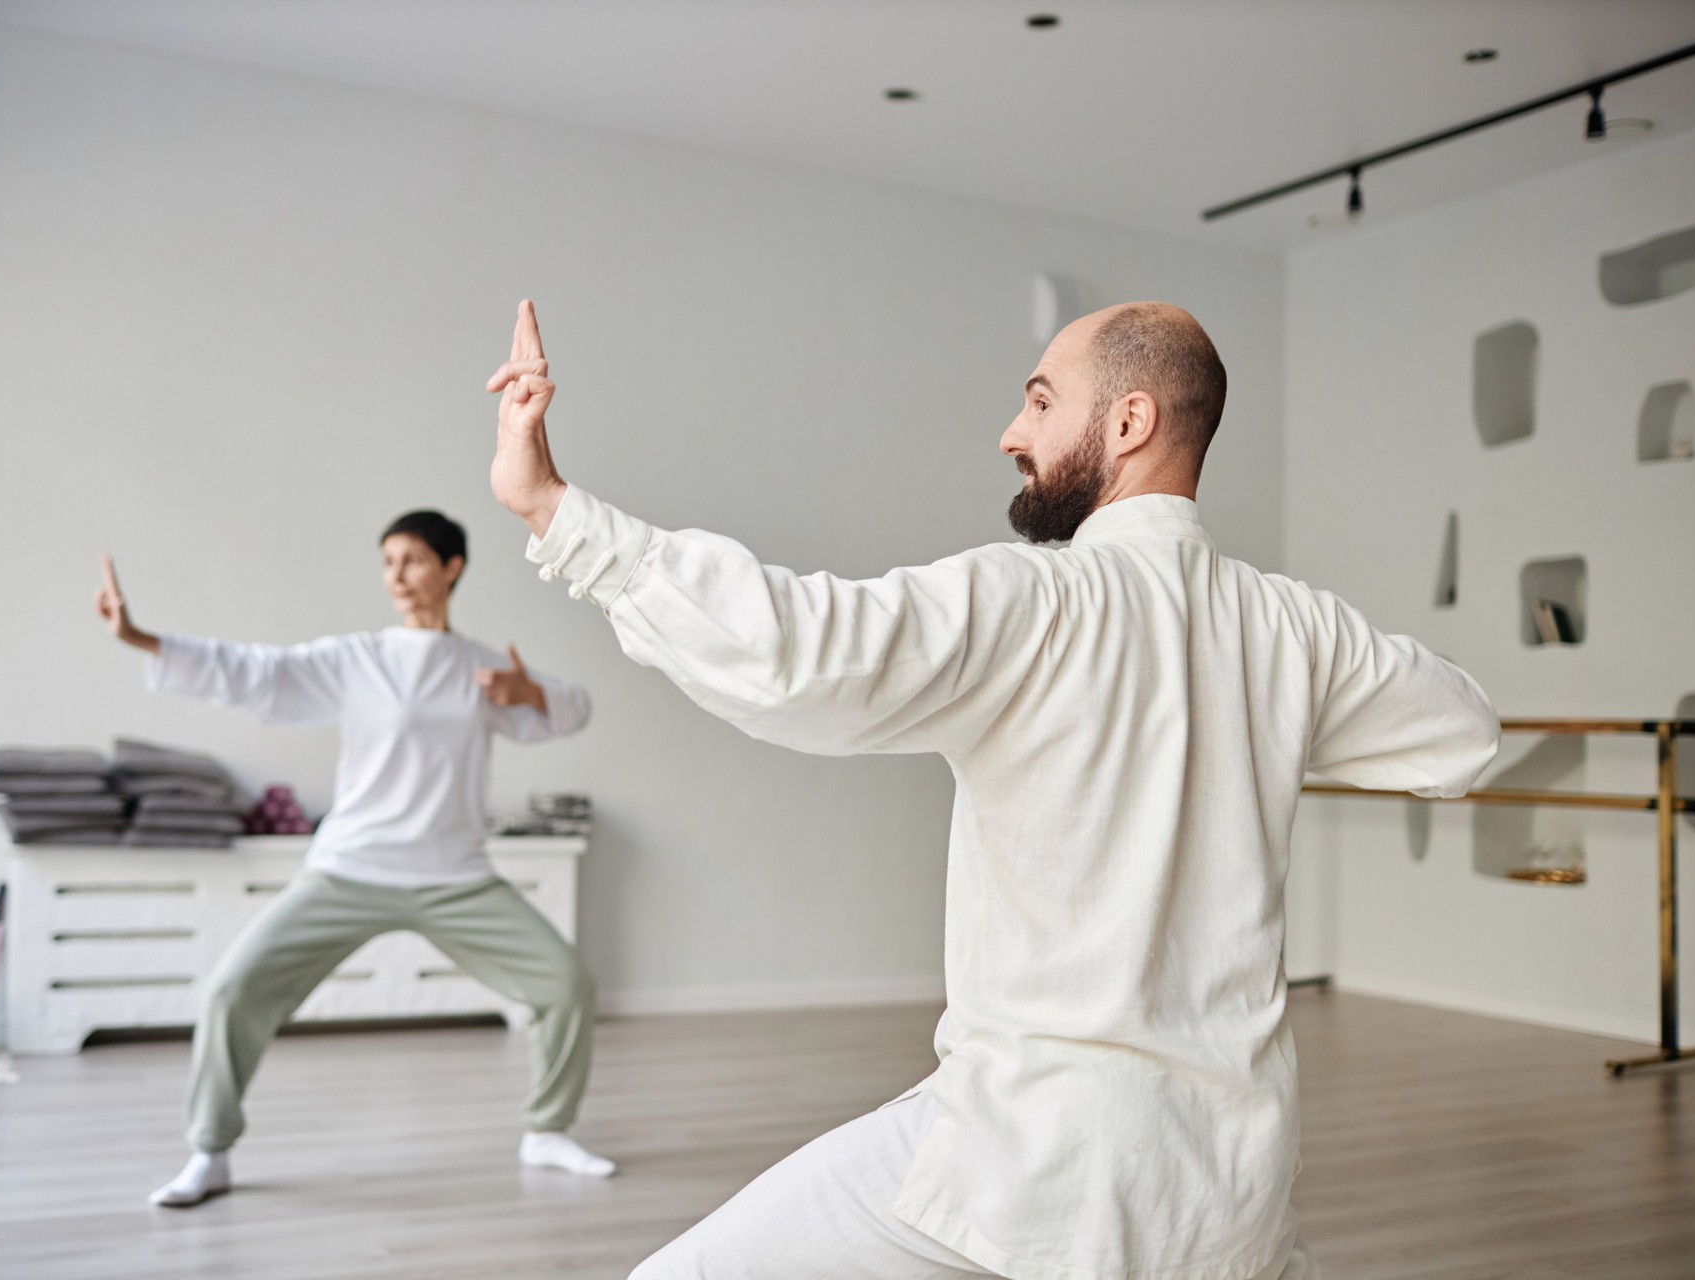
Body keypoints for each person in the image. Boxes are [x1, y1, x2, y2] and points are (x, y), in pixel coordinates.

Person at [483, 300, 1499, 1279]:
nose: (1013, 431)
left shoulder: (1033, 602)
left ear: (1131, 420)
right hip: (1230, 1192)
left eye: (1042, 401)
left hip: (1035, 1153)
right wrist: (1270, 709)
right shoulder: (1294, 627)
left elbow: (790, 647)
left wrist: (551, 510)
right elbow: (1463, 733)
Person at [94, 508, 614, 1209]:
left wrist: (533, 694)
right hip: (351, 870)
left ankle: (546, 1132)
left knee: (566, 985)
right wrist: (141, 638)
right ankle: (209, 1150)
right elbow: (256, 673)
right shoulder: (358, 658)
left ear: (452, 568)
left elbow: (576, 710)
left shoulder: (481, 668)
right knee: (231, 991)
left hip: (455, 876)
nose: (396, 575)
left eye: (413, 560)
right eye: (387, 561)